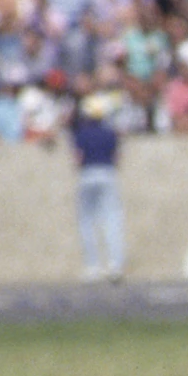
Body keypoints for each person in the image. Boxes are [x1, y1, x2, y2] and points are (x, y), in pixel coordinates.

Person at [69, 93, 127, 283]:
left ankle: (92, 267)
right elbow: (117, 158)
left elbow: (77, 159)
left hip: (87, 174)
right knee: (112, 220)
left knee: (87, 222)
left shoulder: (80, 133)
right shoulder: (110, 133)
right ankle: (115, 265)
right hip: (107, 174)